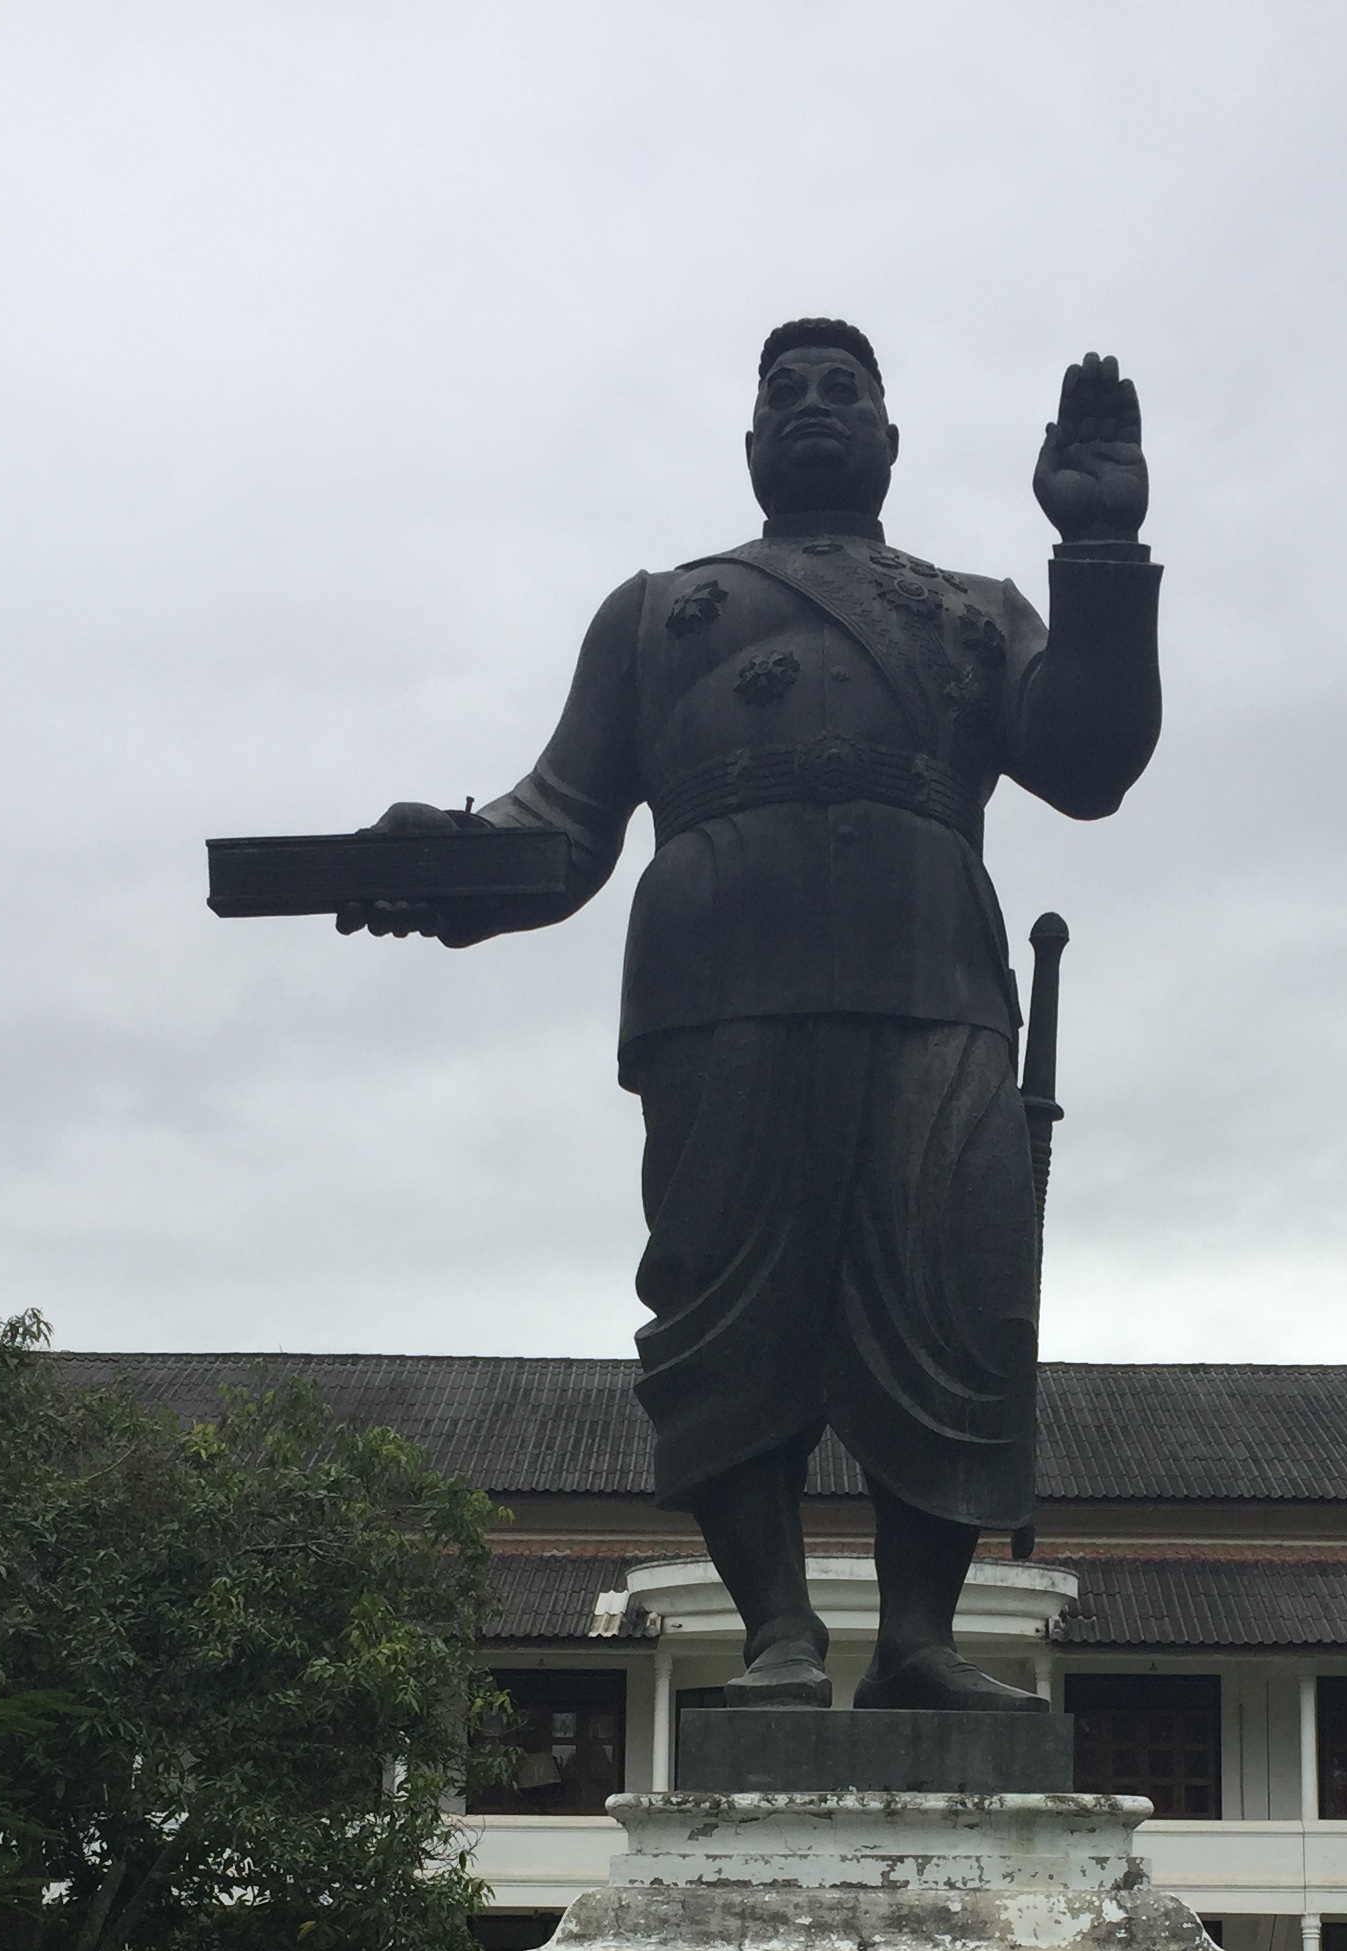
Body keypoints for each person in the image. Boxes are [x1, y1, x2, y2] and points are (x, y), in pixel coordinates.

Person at [341, 321, 1160, 1712]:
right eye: (787, 392)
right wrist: (443, 862)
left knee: (954, 1290)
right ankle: (778, 1629)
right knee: (728, 1303)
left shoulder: (972, 609)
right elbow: (562, 824)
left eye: (845, 390)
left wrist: (1097, 552)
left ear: (891, 439)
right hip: (718, 984)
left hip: (934, 981)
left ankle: (919, 1638)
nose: (813, 406)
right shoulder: (658, 613)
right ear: (750, 441)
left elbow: (1088, 763)